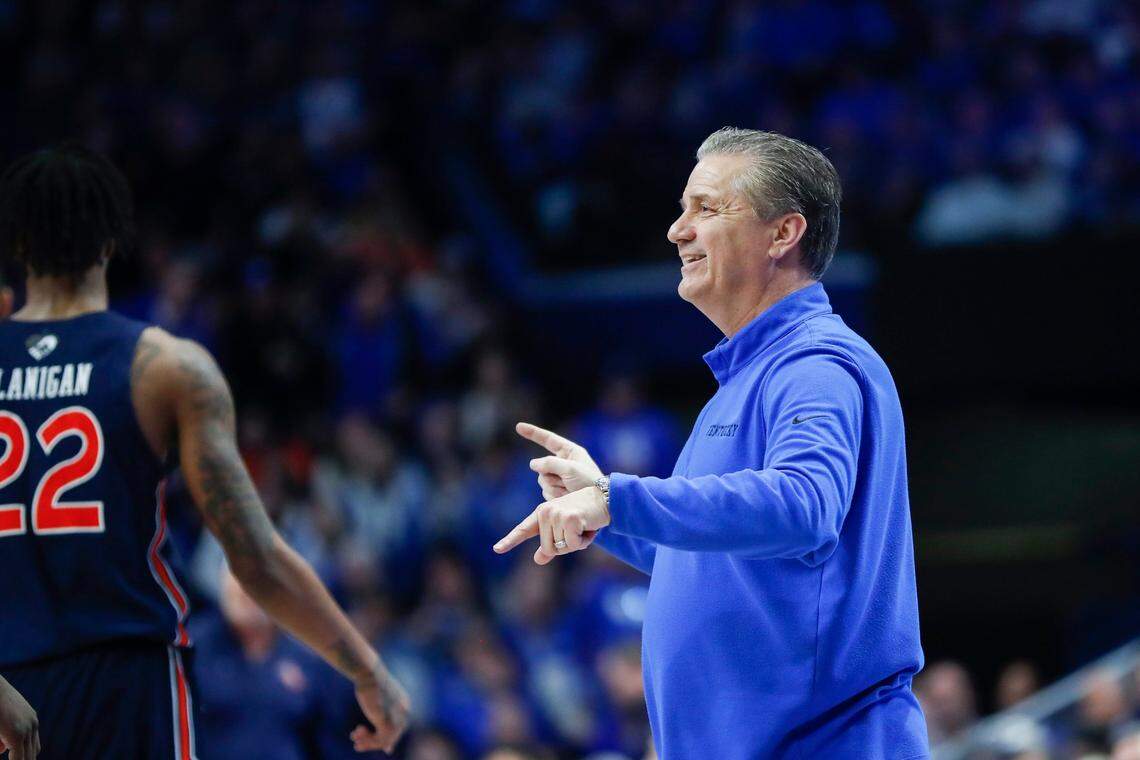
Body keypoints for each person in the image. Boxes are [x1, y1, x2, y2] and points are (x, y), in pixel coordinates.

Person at [494, 127, 929, 758]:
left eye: (707, 208)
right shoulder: (744, 383)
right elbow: (728, 564)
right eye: (681, 209)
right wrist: (608, 516)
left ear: (784, 234)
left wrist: (620, 499)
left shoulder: (816, 364)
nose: (677, 230)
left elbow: (804, 506)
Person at [0, 144, 410, 759]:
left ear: (18, 245)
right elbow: (255, 559)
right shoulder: (165, 366)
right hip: (128, 684)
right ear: (112, 242)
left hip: (10, 685)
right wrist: (366, 670)